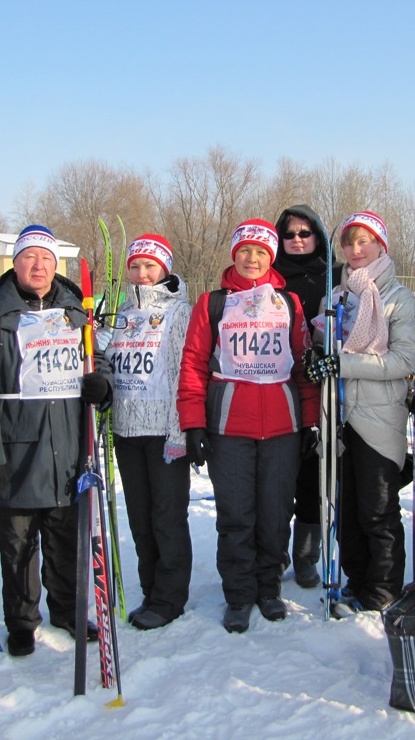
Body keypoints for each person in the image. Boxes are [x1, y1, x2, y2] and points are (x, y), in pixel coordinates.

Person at [0, 224, 113, 657]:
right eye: (29, 257)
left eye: (46, 258)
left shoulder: (74, 310)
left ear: (55, 264)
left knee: (67, 541)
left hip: (67, 447)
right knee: (18, 546)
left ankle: (66, 610)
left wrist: (101, 385)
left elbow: (93, 358)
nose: (38, 265)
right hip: (16, 449)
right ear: (16, 263)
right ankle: (22, 620)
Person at [178, 219, 318, 633]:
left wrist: (309, 422)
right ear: (234, 255)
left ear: (270, 257)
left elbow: (303, 366)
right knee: (236, 515)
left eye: (260, 252)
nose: (252, 259)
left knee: (276, 514)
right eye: (244, 251)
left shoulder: (289, 302)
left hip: (282, 427)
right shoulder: (212, 303)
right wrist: (194, 424)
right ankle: (239, 594)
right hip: (229, 426)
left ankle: (269, 589)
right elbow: (192, 364)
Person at [306, 211, 415, 611]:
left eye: (364, 242)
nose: (355, 251)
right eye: (349, 243)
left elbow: (404, 360)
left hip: (378, 418)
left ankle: (384, 588)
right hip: (337, 417)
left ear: (380, 246)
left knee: (377, 509)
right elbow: (322, 347)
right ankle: (358, 579)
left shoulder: (398, 299)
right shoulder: (335, 297)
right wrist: (316, 359)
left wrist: (344, 364)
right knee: (346, 509)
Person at [106, 234, 193, 630]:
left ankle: (169, 597)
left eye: (151, 266)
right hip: (126, 431)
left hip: (163, 432)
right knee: (140, 518)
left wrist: (180, 433)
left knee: (166, 517)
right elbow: (108, 368)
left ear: (165, 269)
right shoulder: (119, 314)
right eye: (136, 266)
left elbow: (182, 375)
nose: (142, 274)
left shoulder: (179, 313)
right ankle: (150, 589)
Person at [272, 204, 340, 588]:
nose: (297, 240)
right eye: (289, 234)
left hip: (322, 387)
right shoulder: (272, 277)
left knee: (315, 478)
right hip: (278, 386)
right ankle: (277, 551)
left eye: (304, 233)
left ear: (317, 237)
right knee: (280, 478)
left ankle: (306, 555)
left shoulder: (333, 277)